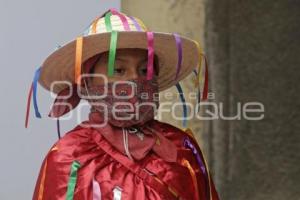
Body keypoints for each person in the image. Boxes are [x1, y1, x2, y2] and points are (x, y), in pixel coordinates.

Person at [27, 8, 219, 200]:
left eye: (144, 70)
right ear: (87, 81)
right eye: (119, 69)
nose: (135, 79)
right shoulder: (67, 158)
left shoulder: (182, 151)